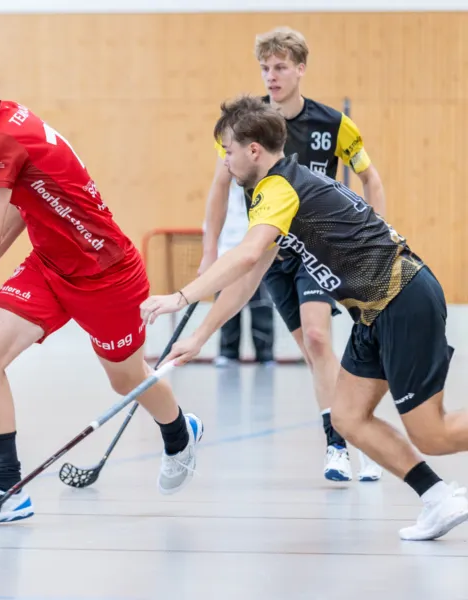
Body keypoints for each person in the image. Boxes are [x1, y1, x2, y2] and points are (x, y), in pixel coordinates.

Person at [141, 95, 468, 541]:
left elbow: (247, 254)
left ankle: (437, 493)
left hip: (402, 297)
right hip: (372, 312)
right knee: (348, 418)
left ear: (253, 149)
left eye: (229, 151)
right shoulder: (279, 192)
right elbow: (251, 275)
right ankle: (437, 498)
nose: (227, 161)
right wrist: (200, 335)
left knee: (432, 432)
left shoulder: (279, 188)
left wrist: (181, 296)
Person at [0, 45, 203, 526]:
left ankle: (179, 430)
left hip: (108, 274)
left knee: (125, 378)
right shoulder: (7, 120)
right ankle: (8, 492)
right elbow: (22, 207)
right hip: (51, 266)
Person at [199, 27, 385, 482]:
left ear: (301, 69)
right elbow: (219, 188)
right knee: (310, 349)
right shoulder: (246, 128)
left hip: (318, 249)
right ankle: (357, 428)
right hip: (273, 255)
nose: (272, 76)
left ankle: (341, 444)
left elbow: (372, 180)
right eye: (265, 67)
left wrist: (375, 240)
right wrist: (209, 254)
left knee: (319, 339)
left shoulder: (333, 125)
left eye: (281, 67)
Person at [211, 179, 275, 367]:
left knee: (261, 309)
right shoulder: (221, 196)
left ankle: (265, 354)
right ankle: (228, 353)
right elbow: (211, 229)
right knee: (226, 311)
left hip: (256, 261)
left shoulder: (264, 194)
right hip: (225, 261)